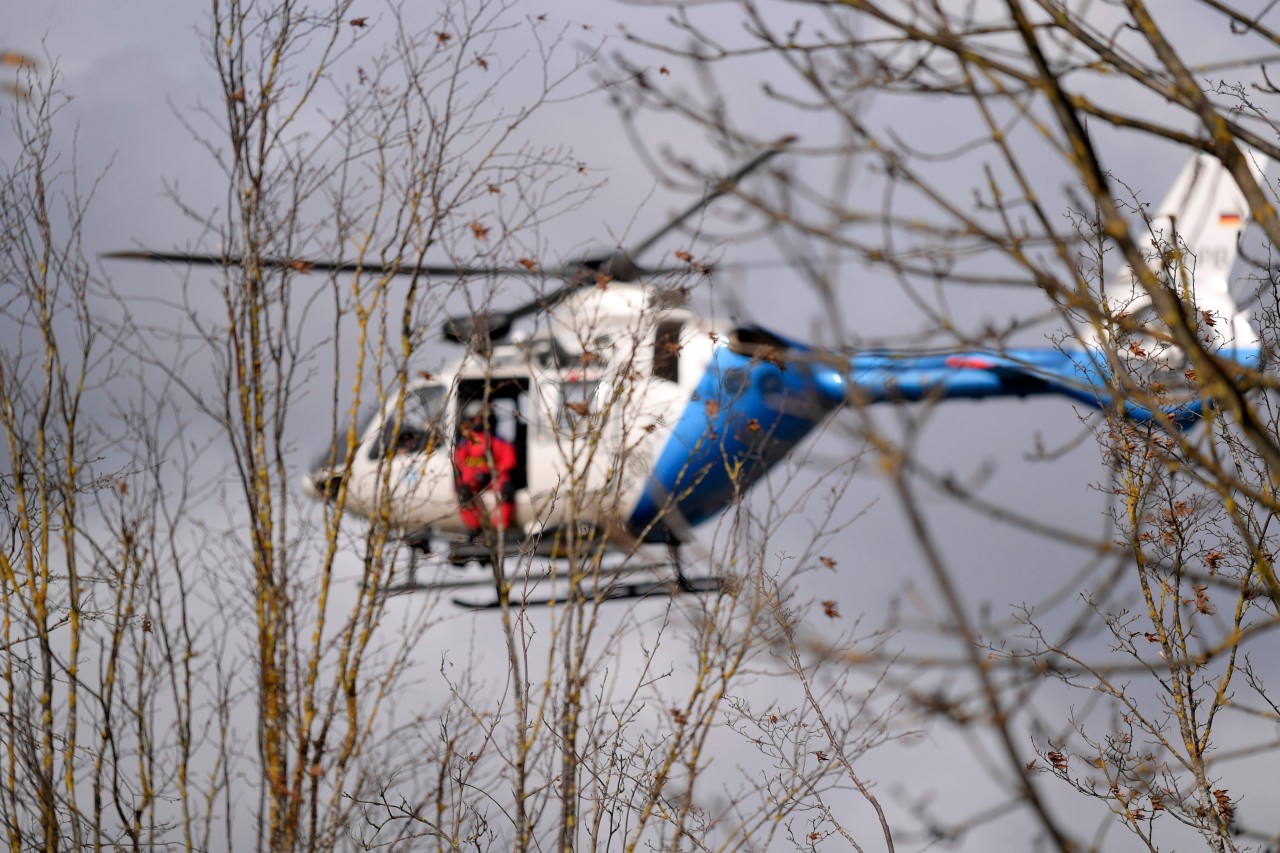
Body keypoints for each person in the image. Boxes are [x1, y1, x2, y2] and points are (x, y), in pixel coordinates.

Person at [453, 409, 517, 536]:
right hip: (473, 479)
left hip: (494, 477)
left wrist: (492, 471)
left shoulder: (498, 441)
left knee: (506, 488)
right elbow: (459, 461)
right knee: (464, 492)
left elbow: (510, 460)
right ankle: (475, 527)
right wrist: (476, 472)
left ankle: (501, 527)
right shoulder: (466, 443)